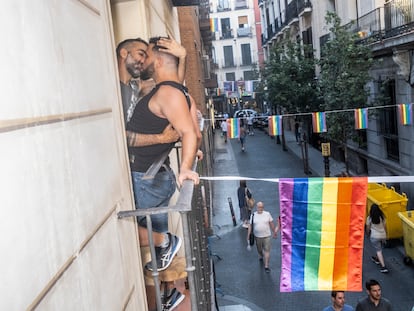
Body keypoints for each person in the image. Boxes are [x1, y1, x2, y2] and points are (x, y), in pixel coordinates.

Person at [126, 36, 199, 271]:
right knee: (156, 237)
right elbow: (175, 85)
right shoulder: (173, 90)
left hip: (146, 179)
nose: (142, 60)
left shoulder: (168, 93)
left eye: (146, 55)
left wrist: (186, 167)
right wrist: (184, 56)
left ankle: (166, 245)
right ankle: (167, 291)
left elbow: (189, 132)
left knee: (127, 233)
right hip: (152, 177)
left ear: (157, 61)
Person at [246, 201, 279, 273]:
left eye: (261, 207)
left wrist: (274, 232)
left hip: (267, 235)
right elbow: (250, 226)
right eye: (258, 207)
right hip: (257, 236)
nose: (260, 208)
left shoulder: (267, 214)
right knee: (259, 249)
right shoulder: (253, 215)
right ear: (256, 207)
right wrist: (248, 236)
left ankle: (266, 266)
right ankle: (261, 255)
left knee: (267, 250)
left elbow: (271, 224)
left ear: (263, 207)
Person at [366, 204, 389, 273]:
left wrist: (367, 234)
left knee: (378, 250)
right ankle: (376, 258)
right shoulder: (382, 217)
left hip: (374, 236)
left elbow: (368, 228)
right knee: (379, 248)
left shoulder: (369, 218)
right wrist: (386, 235)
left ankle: (383, 267)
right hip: (383, 235)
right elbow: (385, 227)